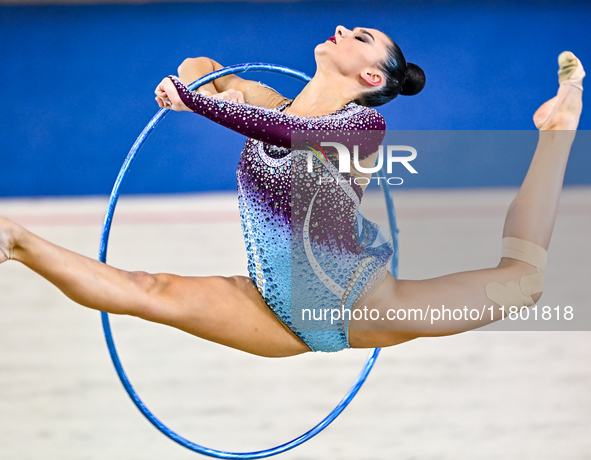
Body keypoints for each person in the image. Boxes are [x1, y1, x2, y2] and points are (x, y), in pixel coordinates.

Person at [0, 26, 584, 358]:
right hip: (269, 310)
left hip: (359, 305)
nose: (340, 30)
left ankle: (557, 131)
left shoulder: (363, 130)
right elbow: (205, 65)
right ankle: (16, 241)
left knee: (525, 285)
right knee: (146, 289)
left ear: (371, 78)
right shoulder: (266, 104)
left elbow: (293, 132)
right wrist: (199, 77)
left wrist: (195, 100)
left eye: (358, 36)